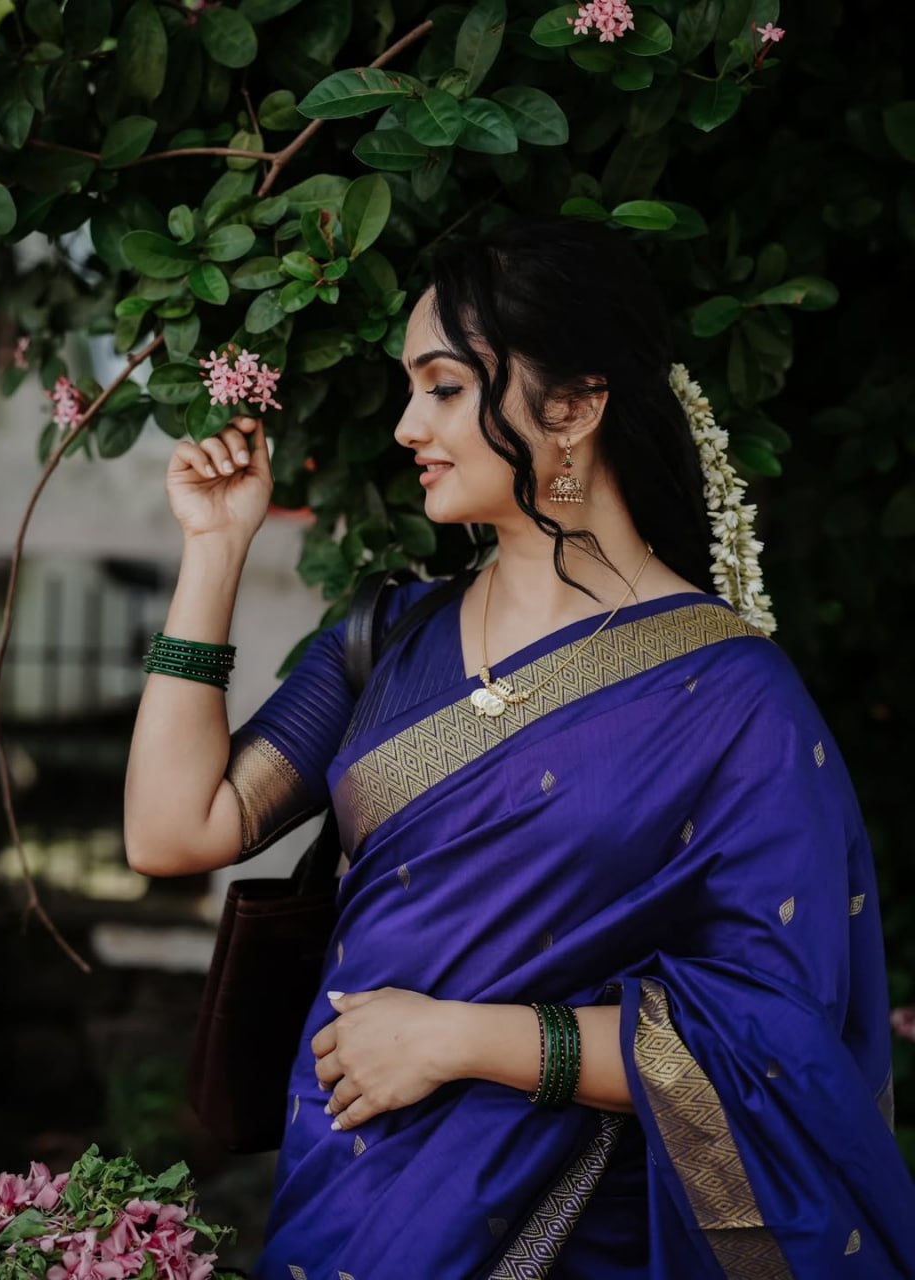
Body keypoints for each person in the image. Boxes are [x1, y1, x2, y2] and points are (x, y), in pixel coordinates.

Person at [123, 215, 915, 1278]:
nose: (408, 424)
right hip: (346, 1200)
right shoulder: (390, 638)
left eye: (443, 387)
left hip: (567, 1230)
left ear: (577, 406)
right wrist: (213, 553)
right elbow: (173, 830)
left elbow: (776, 1041)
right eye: (411, 388)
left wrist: (458, 1038)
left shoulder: (731, 698)